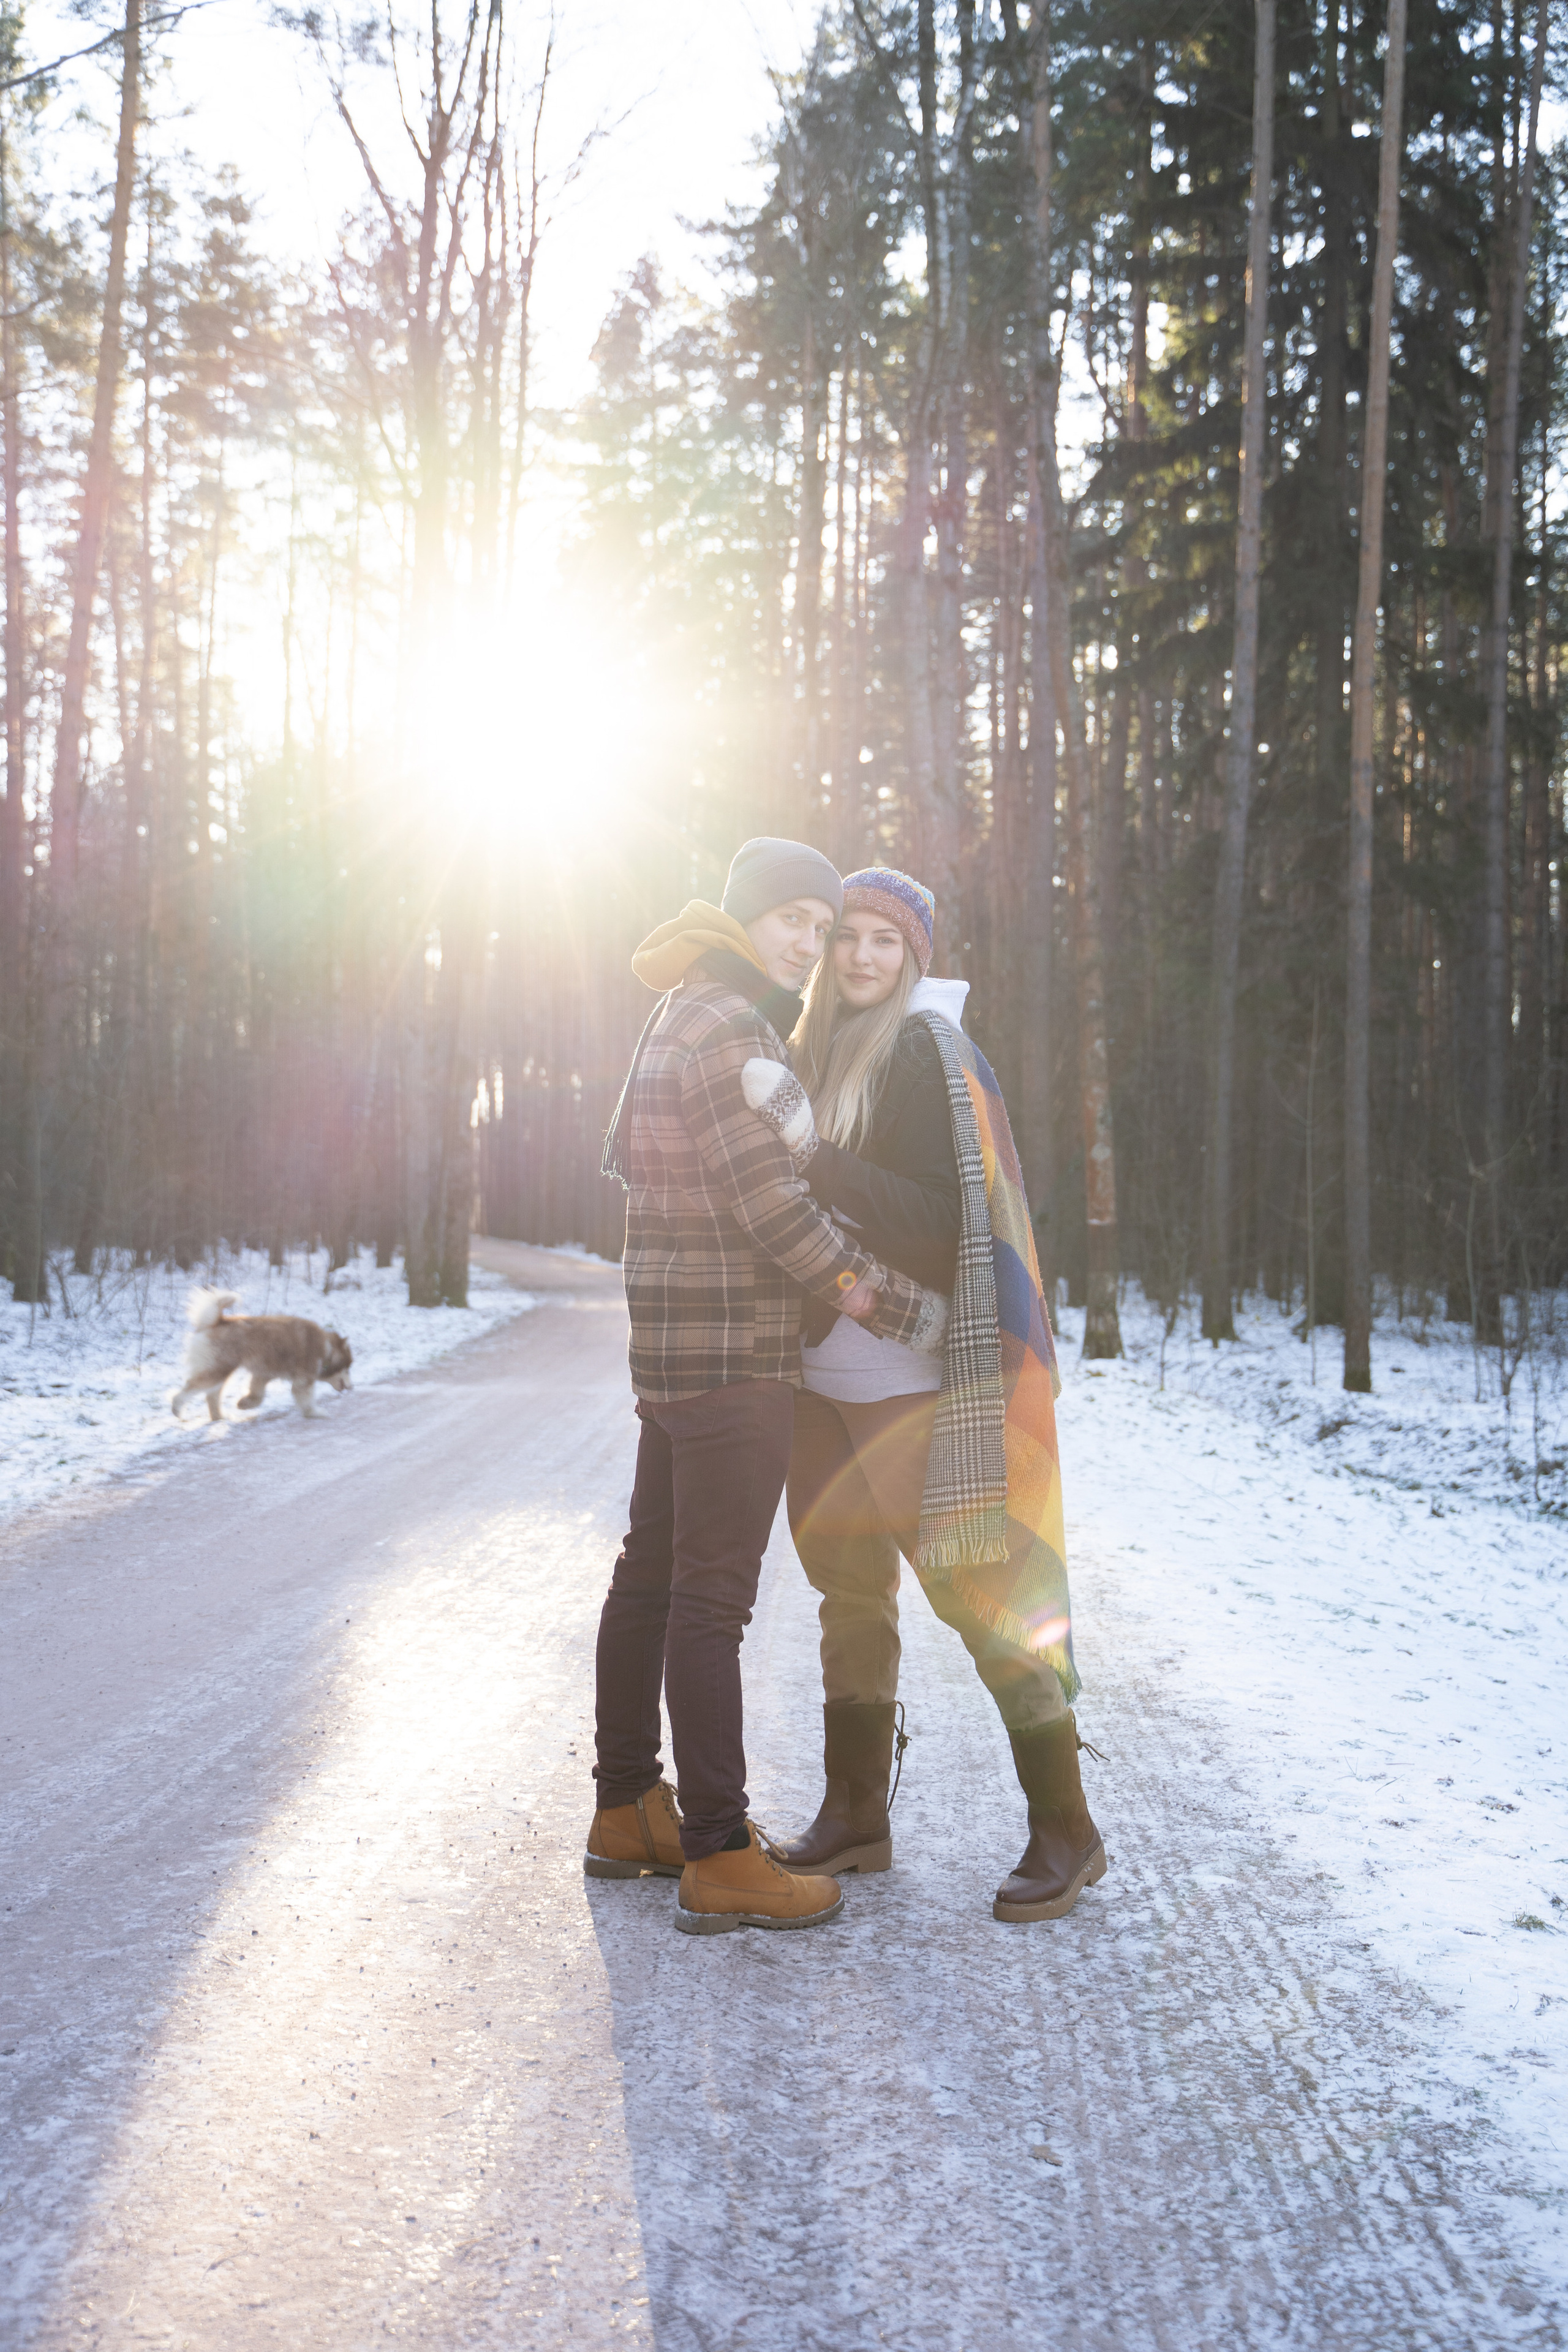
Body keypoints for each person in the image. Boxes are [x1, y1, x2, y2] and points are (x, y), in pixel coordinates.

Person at [585, 839, 948, 1937]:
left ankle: (623, 1807)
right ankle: (719, 1851)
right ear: (745, 919)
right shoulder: (736, 1027)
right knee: (710, 1603)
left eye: (820, 926)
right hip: (737, 1357)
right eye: (792, 921)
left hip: (668, 1355)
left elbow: (626, 1163)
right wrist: (895, 1305)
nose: (809, 946)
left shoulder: (677, 1008)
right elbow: (779, 1216)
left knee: (648, 1578)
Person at [741, 867, 1105, 1922]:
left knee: (975, 1596)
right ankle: (856, 1817)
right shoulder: (801, 1046)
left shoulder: (924, 1054)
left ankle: (1068, 1828)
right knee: (846, 1592)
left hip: (905, 1380)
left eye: (883, 943)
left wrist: (822, 1159)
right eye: (846, 936)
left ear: (914, 958)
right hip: (816, 1383)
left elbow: (943, 1222)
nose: (858, 956)